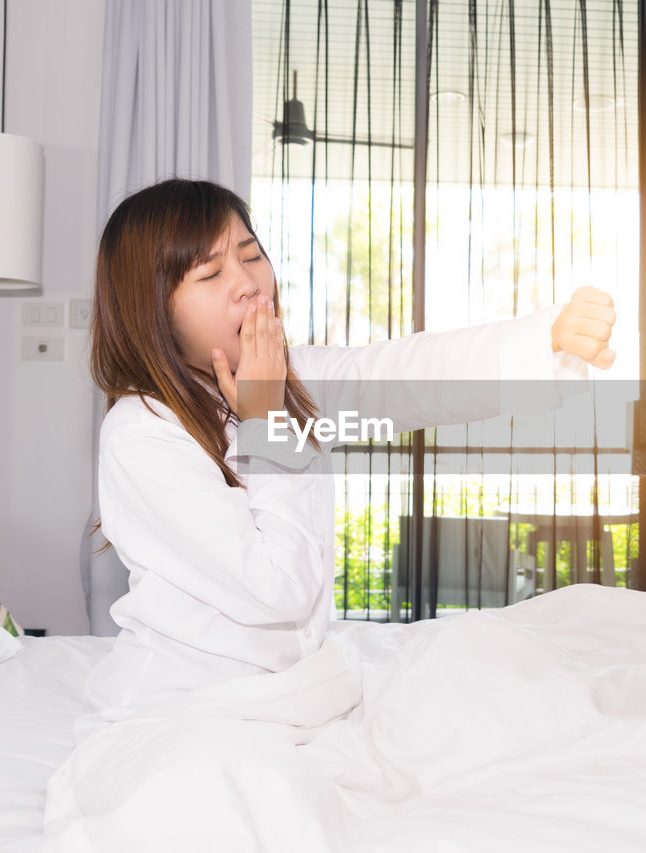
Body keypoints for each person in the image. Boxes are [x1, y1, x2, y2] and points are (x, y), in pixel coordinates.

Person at [74, 178, 618, 742]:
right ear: (152, 312)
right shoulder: (142, 433)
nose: (247, 284)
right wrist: (267, 423)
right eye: (210, 275)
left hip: (296, 693)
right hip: (191, 710)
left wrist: (544, 338)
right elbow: (278, 586)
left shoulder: (282, 377)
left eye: (252, 255)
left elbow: (401, 374)